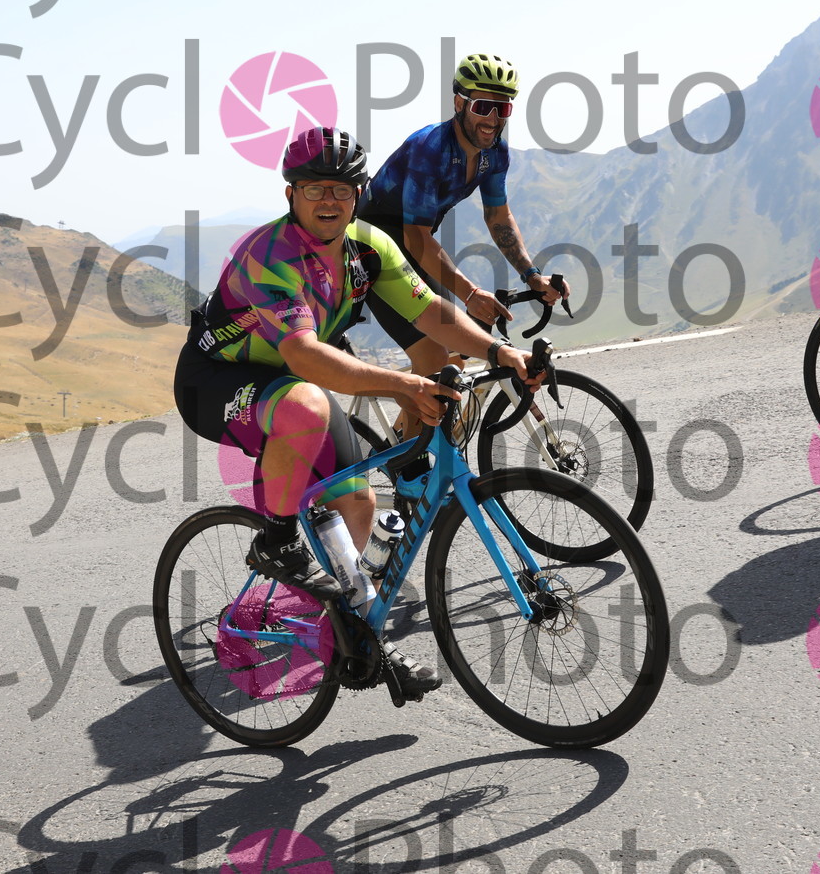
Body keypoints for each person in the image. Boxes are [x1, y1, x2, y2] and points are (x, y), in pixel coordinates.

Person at [174, 126, 543, 699]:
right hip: (217, 382)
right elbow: (304, 355)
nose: (330, 200)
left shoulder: (368, 248)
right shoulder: (268, 255)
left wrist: (500, 353)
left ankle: (346, 636)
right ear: (291, 194)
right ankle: (277, 541)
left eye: (343, 189)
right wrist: (405, 384)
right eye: (315, 188)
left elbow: (432, 314)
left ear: (359, 194)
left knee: (360, 501)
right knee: (306, 403)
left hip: (292, 385)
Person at [358, 53, 571, 385]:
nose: (493, 119)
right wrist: (470, 293)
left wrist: (532, 275)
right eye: (483, 107)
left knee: (457, 350)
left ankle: (420, 414)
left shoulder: (495, 153)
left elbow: (498, 216)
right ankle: (417, 418)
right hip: (370, 242)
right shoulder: (430, 148)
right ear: (459, 103)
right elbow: (415, 236)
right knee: (433, 355)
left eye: (502, 109)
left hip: (413, 244)